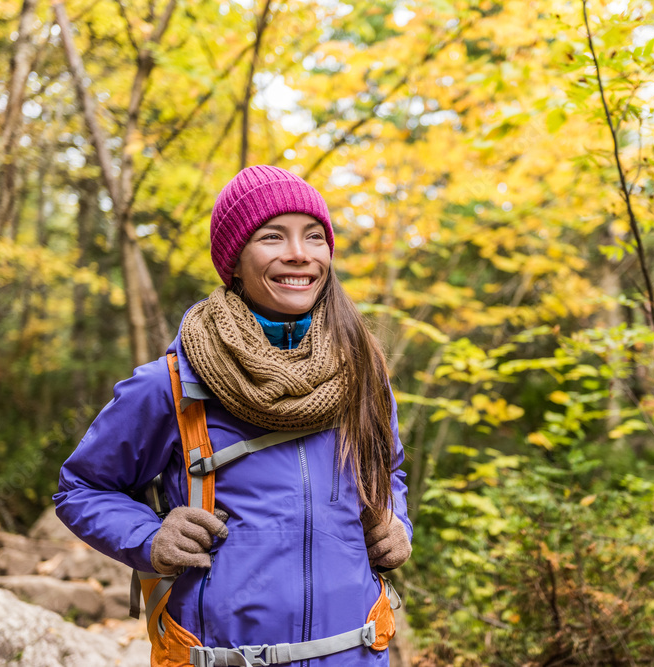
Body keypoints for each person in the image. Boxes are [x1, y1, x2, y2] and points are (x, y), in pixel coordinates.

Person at [54, 165, 413, 667]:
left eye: (314, 237)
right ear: (235, 262)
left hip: (355, 654)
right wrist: (150, 536)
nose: (300, 254)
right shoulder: (173, 383)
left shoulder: (363, 374)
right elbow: (82, 488)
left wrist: (397, 521)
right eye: (273, 236)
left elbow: (388, 470)